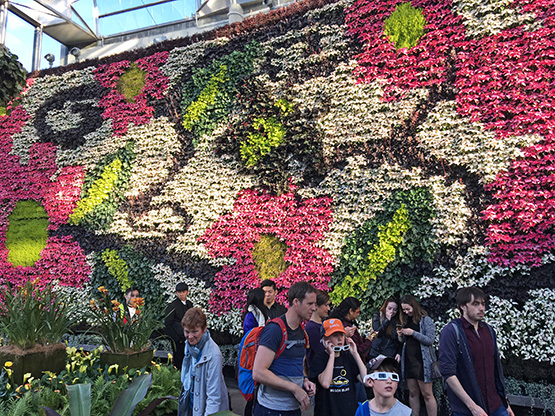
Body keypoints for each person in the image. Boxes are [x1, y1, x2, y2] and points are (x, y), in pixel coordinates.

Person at [438, 287, 514, 416]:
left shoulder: (489, 331)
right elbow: (448, 373)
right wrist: (472, 407)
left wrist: (505, 403)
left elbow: (495, 370)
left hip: (496, 405)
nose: (481, 308)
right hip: (467, 410)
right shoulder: (451, 332)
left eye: (483, 304)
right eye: (475, 304)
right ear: (463, 306)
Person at [252, 281, 317, 416]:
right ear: (296, 302)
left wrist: (305, 380)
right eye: (310, 304)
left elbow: (298, 364)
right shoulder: (275, 330)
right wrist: (294, 388)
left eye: (315, 304)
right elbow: (258, 372)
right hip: (271, 409)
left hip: (292, 409)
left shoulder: (302, 332)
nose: (314, 308)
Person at [308, 318, 367, 416]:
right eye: (335, 336)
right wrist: (331, 356)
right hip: (327, 411)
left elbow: (365, 380)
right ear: (325, 340)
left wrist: (355, 353)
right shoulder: (320, 358)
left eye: (342, 335)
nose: (340, 339)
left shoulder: (348, 356)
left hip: (348, 411)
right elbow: (325, 383)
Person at [178, 307, 229, 416]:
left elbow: (214, 396)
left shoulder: (213, 354)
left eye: (195, 332)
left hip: (207, 409)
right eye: (187, 332)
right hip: (192, 404)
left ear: (204, 328)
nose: (190, 337)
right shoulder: (190, 346)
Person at [397, 295, 437, 416]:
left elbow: (430, 340)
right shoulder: (405, 321)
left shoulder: (426, 320)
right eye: (404, 310)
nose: (406, 312)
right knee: (413, 393)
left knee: (427, 394)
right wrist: (401, 335)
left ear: (414, 306)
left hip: (422, 363)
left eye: (408, 309)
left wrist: (413, 333)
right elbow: (404, 342)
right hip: (409, 362)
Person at [329, 297, 374, 363]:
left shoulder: (340, 323)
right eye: (357, 312)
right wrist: (369, 341)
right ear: (351, 311)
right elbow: (358, 350)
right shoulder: (347, 327)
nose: (358, 314)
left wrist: (366, 339)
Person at [165, 282, 194, 370]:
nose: (181, 294)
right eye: (179, 292)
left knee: (189, 360)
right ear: (176, 293)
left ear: (187, 292)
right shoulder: (172, 306)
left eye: (183, 291)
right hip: (178, 339)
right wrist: (177, 339)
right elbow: (168, 324)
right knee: (178, 360)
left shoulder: (190, 304)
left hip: (189, 338)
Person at [370, 297, 402, 361]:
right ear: (385, 307)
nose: (392, 311)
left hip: (389, 354)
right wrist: (387, 320)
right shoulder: (378, 316)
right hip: (375, 352)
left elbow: (399, 341)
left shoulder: (397, 321)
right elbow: (377, 333)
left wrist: (399, 353)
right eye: (389, 308)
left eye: (395, 310)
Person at [305, 289, 330, 370]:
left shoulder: (321, 326)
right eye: (326, 305)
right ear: (316, 306)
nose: (328, 309)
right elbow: (321, 351)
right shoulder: (311, 328)